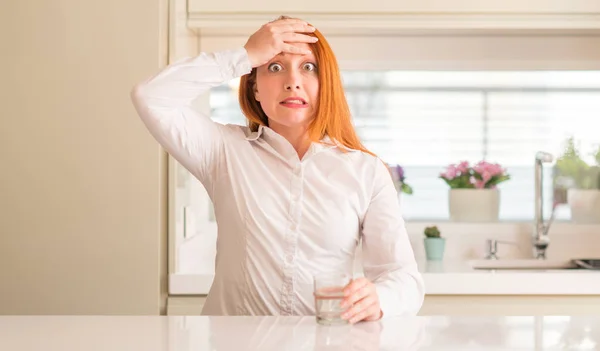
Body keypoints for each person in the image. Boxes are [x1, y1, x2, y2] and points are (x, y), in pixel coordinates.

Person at [130, 16, 424, 323]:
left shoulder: (366, 171)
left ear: (326, 85)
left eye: (308, 67)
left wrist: (379, 299)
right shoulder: (223, 151)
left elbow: (404, 279)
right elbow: (149, 96)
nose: (292, 81)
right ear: (254, 88)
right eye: (274, 66)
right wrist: (245, 56)